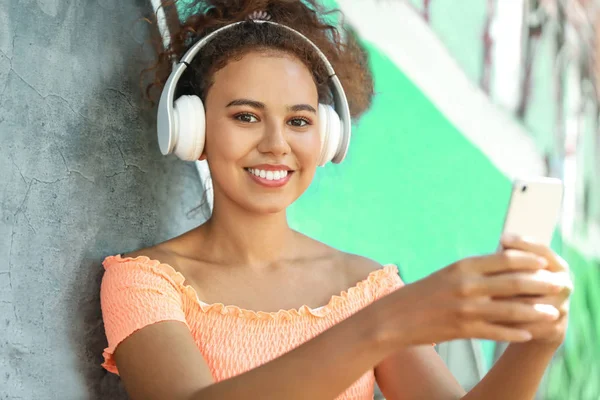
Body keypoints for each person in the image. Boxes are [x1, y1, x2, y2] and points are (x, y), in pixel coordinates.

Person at [99, 1, 573, 399]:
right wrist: (382, 326)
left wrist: (536, 344)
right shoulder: (143, 283)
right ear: (192, 128)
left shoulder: (367, 287)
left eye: (299, 122)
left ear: (327, 140)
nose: (275, 144)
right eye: (246, 117)